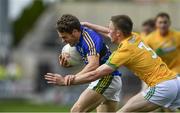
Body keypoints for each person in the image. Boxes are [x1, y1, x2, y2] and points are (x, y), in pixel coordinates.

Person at [45, 14, 180, 112]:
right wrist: (88, 24)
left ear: (118, 33)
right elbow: (108, 33)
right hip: (175, 81)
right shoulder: (134, 37)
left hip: (162, 86)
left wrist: (68, 80)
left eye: (110, 29)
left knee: (123, 111)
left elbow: (95, 73)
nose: (107, 31)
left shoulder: (123, 52)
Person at [48, 14, 122, 112]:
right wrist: (69, 64)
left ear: (74, 32)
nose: (63, 41)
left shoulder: (89, 39)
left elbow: (93, 65)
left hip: (107, 79)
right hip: (109, 79)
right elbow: (88, 60)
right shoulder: (79, 34)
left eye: (64, 37)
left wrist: (74, 77)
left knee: (76, 111)